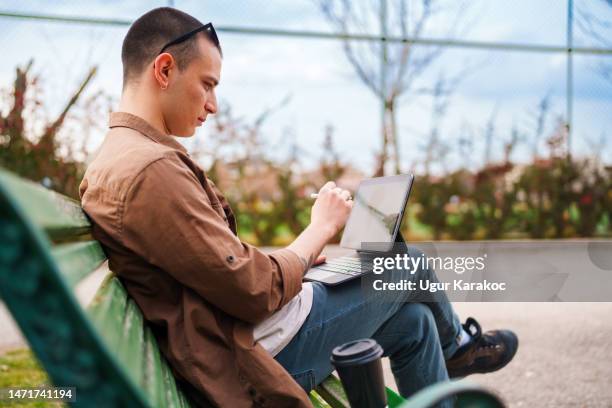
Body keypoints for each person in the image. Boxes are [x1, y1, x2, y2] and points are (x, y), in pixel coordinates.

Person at [79, 7, 518, 408]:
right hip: (252, 354)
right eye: (207, 84)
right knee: (403, 266)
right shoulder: (150, 168)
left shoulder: (127, 157)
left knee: (416, 322)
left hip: (248, 332)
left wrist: (297, 262)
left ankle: (451, 345)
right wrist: (317, 230)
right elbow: (250, 291)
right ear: (165, 69)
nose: (212, 105)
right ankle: (458, 349)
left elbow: (212, 268)